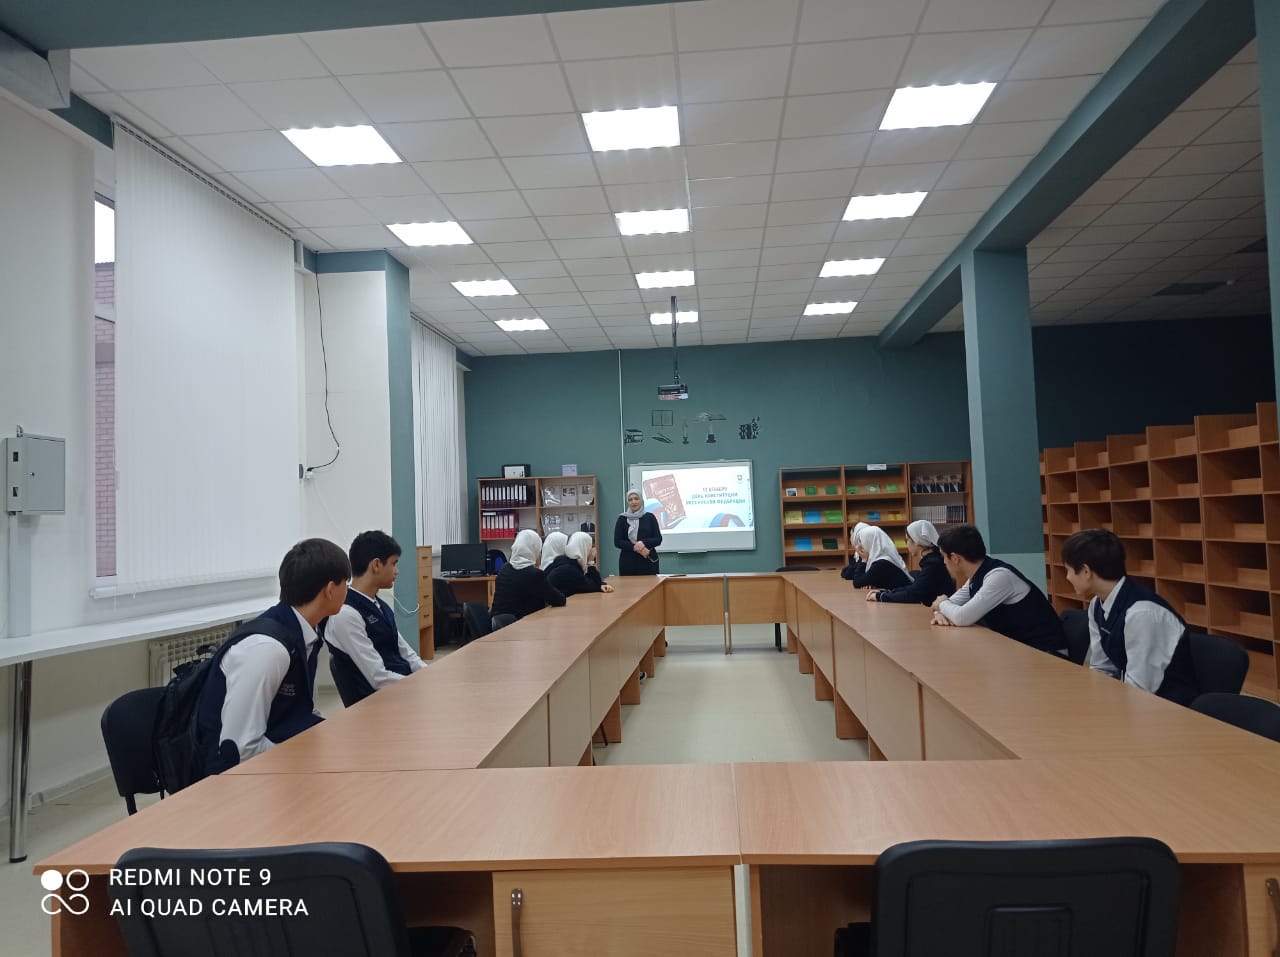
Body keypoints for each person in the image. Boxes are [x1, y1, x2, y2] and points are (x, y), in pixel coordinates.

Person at [195, 538, 349, 775]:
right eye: (345, 584)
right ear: (330, 590)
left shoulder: (305, 633)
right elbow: (241, 749)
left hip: (279, 765)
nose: (348, 591)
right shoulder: (268, 649)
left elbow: (299, 713)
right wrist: (310, 755)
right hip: (235, 781)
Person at [1062, 528, 1199, 705]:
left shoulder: (1142, 614)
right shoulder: (1097, 604)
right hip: (1136, 702)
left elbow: (1140, 690)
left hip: (1170, 707)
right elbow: (1102, 669)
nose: (1067, 577)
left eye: (1068, 570)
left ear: (1086, 571)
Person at [930, 524, 1066, 656]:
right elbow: (951, 605)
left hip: (1046, 652)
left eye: (944, 557)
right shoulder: (976, 576)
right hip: (1019, 650)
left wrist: (942, 603)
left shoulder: (999, 577)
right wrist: (940, 611)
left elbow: (961, 617)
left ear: (955, 558)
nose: (944, 562)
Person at [324, 530, 425, 704]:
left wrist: (430, 675)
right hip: (381, 703)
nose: (397, 571)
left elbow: (407, 654)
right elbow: (378, 678)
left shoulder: (380, 605)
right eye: (394, 564)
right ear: (376, 565)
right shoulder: (346, 614)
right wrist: (419, 686)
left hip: (403, 690)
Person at [865, 520, 955, 605]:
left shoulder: (933, 564)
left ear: (917, 541)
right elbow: (914, 588)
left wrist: (880, 596)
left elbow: (912, 594)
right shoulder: (932, 560)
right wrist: (887, 592)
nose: (906, 544)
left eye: (907, 540)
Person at [489, 528, 567, 620]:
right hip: (522, 624)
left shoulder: (504, 568)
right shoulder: (534, 574)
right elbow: (559, 600)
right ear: (534, 549)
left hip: (497, 624)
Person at [547, 531, 615, 597]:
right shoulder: (569, 569)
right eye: (589, 547)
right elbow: (592, 585)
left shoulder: (568, 562)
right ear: (584, 548)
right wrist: (590, 562)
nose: (591, 551)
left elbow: (585, 582)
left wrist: (601, 585)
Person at [841, 525, 911, 589]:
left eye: (862, 541)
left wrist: (864, 559)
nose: (860, 545)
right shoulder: (880, 558)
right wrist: (873, 582)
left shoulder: (881, 563)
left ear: (870, 542)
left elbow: (857, 582)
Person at [614, 488, 662, 576]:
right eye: (630, 500)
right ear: (628, 502)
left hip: (648, 560)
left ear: (641, 500)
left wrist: (643, 543)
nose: (633, 502)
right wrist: (637, 548)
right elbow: (617, 542)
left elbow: (658, 539)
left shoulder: (650, 517)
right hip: (628, 562)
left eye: (636, 499)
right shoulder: (622, 519)